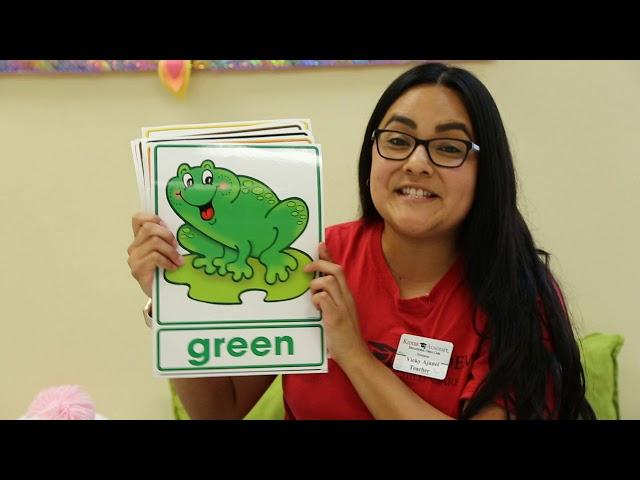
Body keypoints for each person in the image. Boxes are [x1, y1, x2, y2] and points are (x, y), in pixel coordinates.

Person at [127, 62, 594, 420]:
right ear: (373, 152)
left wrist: (352, 353)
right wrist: (170, 302)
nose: (416, 163)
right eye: (397, 140)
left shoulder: (517, 291)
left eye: (449, 147)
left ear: (486, 171)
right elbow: (221, 409)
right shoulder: (319, 257)